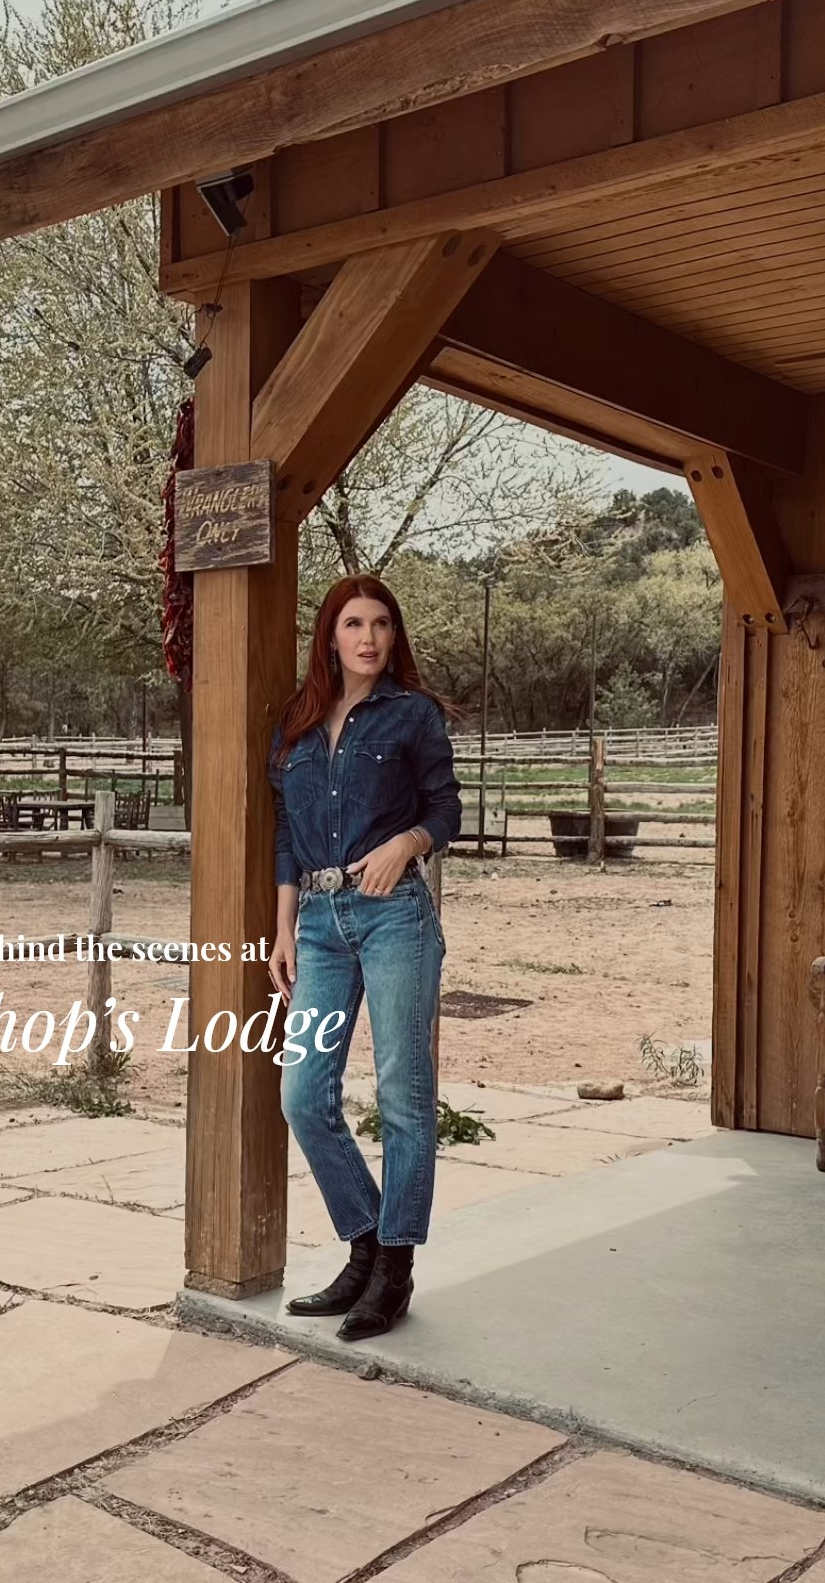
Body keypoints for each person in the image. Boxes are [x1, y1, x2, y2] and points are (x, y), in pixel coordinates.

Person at [267, 575, 461, 1341]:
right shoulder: (298, 724)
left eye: (381, 623)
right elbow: (285, 832)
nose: (369, 637)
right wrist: (283, 928)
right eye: (353, 623)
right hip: (315, 923)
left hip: (395, 920)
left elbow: (446, 809)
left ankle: (395, 1271)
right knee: (302, 1095)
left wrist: (407, 841)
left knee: (403, 1099)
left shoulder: (414, 716)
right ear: (331, 635)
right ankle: (366, 1245)